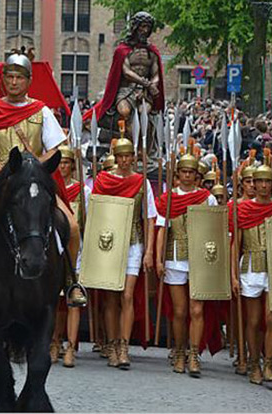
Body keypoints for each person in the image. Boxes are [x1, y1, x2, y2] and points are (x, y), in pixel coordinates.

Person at [0, 52, 85, 308]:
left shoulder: (41, 111)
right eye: (8, 77)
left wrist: (36, 165)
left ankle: (70, 281)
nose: (13, 82)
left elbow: (57, 148)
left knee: (73, 228)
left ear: (28, 81)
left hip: (32, 182)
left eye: (18, 78)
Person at [232, 149, 272, 385]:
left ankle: (268, 362)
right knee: (253, 320)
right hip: (250, 267)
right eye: (259, 181)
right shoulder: (242, 210)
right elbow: (234, 246)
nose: (263, 186)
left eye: (268, 182)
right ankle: (254, 362)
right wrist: (233, 276)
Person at [93, 137, 156, 370]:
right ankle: (110, 343)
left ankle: (123, 345)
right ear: (116, 157)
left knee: (127, 296)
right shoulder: (103, 181)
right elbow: (96, 211)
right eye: (120, 156)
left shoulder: (142, 183)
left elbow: (150, 217)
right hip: (109, 243)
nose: (124, 160)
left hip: (133, 242)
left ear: (134, 158)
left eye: (128, 156)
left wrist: (149, 251)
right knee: (110, 297)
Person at [155, 141, 217, 377]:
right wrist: (159, 259)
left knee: (197, 310)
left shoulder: (206, 198)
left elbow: (214, 230)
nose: (188, 176)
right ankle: (179, 350)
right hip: (175, 258)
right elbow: (162, 230)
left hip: (200, 259)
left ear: (197, 175)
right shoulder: (168, 198)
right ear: (178, 174)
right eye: (184, 172)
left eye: (191, 172)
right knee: (180, 311)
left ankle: (193, 354)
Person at [52, 145, 91, 368]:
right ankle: (55, 342)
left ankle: (71, 347)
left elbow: (87, 223)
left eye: (66, 163)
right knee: (57, 302)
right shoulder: (50, 189)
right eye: (60, 163)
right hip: (55, 249)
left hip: (77, 252)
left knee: (74, 300)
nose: (63, 167)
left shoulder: (83, 192)